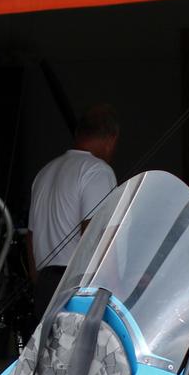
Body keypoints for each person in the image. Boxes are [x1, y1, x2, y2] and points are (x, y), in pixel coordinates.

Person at [27, 102, 119, 312]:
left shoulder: (44, 173)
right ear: (112, 139)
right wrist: (113, 290)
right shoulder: (98, 171)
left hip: (44, 285)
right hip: (78, 287)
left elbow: (30, 237)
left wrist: (39, 284)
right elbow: (96, 236)